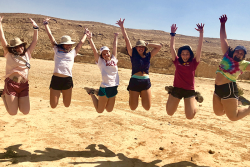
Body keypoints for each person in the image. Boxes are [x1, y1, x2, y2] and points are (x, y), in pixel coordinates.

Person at [116, 18, 162, 111]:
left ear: (145, 48)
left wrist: (148, 43)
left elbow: (159, 47)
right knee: (133, 107)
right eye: (139, 46)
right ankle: (135, 94)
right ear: (136, 48)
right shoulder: (132, 54)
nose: (140, 48)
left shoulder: (149, 55)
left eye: (142, 47)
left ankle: (142, 94)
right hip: (135, 81)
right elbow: (127, 40)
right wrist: (122, 27)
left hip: (146, 82)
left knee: (147, 107)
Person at [43, 18, 88, 108]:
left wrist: (85, 34)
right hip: (56, 79)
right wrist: (46, 24)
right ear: (62, 44)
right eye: (67, 44)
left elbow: (81, 43)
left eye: (70, 44)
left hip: (67, 80)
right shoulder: (57, 50)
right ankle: (57, 92)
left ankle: (62, 92)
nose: (69, 45)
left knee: (67, 104)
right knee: (53, 105)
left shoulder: (73, 53)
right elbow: (50, 36)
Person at [213, 14, 250, 121]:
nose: (238, 54)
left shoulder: (243, 64)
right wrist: (223, 24)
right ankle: (236, 103)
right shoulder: (227, 55)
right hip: (217, 89)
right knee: (218, 112)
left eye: (241, 54)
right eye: (237, 52)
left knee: (233, 117)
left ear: (243, 56)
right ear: (234, 52)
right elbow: (223, 39)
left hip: (229, 89)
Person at [0, 16, 38, 115]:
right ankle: (3, 94)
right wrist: (0, 24)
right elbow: (3, 39)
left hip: (24, 85)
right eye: (16, 47)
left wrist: (35, 28)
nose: (19, 48)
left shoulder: (27, 53)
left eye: (20, 45)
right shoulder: (9, 54)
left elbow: (34, 41)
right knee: (13, 113)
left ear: (23, 45)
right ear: (13, 48)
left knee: (25, 111)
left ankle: (6, 95)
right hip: (11, 84)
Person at [166, 23, 204, 119]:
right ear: (180, 55)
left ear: (190, 55)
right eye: (183, 54)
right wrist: (172, 34)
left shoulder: (194, 62)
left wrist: (201, 33)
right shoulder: (177, 61)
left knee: (190, 116)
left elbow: (199, 49)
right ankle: (171, 92)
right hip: (177, 89)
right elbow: (172, 48)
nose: (185, 56)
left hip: (189, 90)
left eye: (187, 54)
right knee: (169, 112)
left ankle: (195, 97)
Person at [84, 31, 119, 113]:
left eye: (107, 52)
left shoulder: (114, 59)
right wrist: (90, 39)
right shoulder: (101, 62)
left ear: (109, 52)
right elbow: (94, 50)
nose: (106, 54)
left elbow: (115, 46)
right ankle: (91, 93)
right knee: (100, 110)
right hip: (105, 87)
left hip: (114, 87)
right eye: (104, 54)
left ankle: (97, 92)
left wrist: (116, 36)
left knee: (109, 110)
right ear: (101, 56)